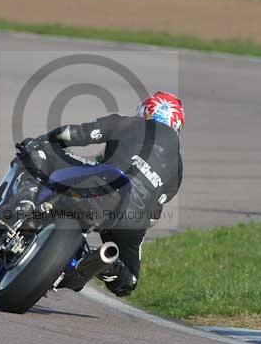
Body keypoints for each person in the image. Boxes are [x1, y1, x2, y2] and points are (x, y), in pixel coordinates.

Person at [15, 91, 184, 297]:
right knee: (128, 282)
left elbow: (75, 134)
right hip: (132, 219)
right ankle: (107, 265)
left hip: (102, 185)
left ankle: (24, 205)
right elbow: (155, 213)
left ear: (144, 111)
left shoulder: (126, 123)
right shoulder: (178, 167)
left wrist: (47, 140)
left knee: (36, 150)